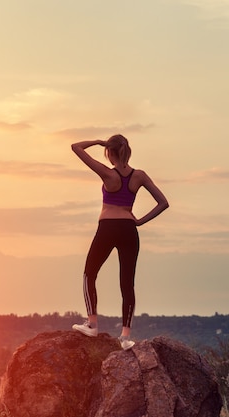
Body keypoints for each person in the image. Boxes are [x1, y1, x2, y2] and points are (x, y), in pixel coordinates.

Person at [71, 134, 169, 350]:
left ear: (110, 152)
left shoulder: (107, 173)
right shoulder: (139, 176)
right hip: (128, 229)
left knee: (90, 273)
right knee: (127, 283)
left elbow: (76, 147)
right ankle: (125, 338)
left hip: (107, 227)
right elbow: (163, 203)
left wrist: (96, 142)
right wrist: (140, 221)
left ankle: (92, 324)